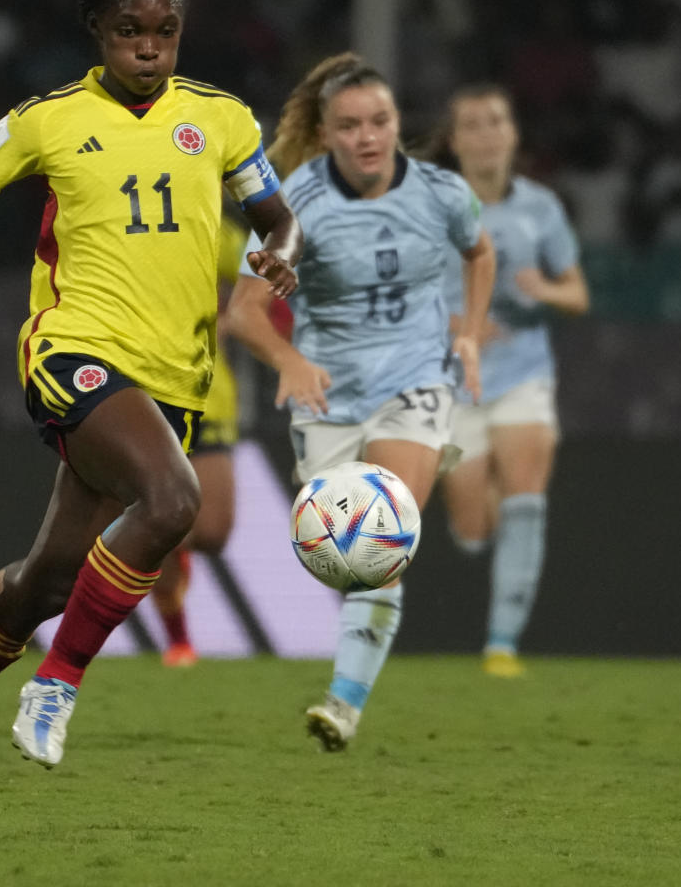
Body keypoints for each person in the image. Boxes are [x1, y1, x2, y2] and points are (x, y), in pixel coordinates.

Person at [0, 0, 302, 804]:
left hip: (173, 380)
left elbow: (279, 217)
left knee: (43, 582)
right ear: (96, 28)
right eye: (130, 30)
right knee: (174, 501)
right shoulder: (49, 119)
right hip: (73, 351)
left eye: (166, 30)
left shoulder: (223, 118)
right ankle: (57, 685)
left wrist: (279, 253)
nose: (150, 47)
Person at [225, 53, 495, 751]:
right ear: (324, 133)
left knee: (382, 541)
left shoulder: (439, 190)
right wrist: (289, 360)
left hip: (416, 384)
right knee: (342, 556)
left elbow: (480, 251)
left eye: (380, 121)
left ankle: (343, 705)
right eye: (349, 125)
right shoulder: (294, 207)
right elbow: (245, 313)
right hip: (329, 398)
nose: (368, 136)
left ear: (397, 123)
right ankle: (346, 686)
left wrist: (466, 332)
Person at [429, 84, 589, 677]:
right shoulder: (434, 206)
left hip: (524, 372)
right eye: (473, 124)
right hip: (453, 382)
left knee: (526, 494)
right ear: (455, 141)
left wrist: (545, 290)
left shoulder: (540, 207)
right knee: (472, 525)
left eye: (497, 120)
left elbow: (576, 293)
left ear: (513, 133)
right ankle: (478, 512)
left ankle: (502, 643)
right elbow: (397, 290)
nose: (488, 132)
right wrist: (451, 321)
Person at [149, 209, 248, 666]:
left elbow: (264, 281)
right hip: (141, 389)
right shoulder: (129, 216)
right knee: (165, 523)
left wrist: (237, 318)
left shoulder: (217, 229)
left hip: (210, 392)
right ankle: (179, 641)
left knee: (211, 531)